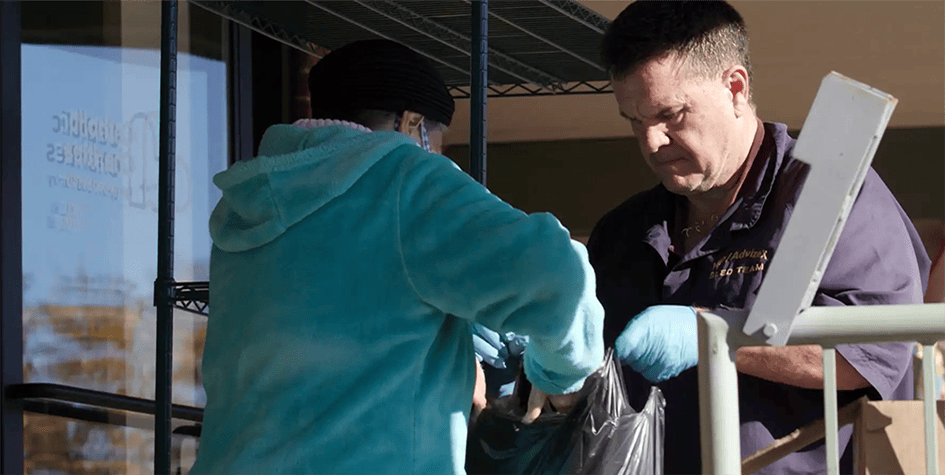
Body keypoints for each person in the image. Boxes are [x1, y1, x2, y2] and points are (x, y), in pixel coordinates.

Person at [190, 39, 604, 475]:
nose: (438, 155)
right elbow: (557, 273)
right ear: (412, 124)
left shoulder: (249, 204)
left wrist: (448, 343)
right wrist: (559, 374)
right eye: (437, 141)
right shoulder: (405, 179)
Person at [589, 2, 931, 473]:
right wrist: (543, 352)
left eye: (671, 115)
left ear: (735, 88)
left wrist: (714, 335)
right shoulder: (623, 233)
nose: (651, 143)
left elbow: (873, 354)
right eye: (634, 121)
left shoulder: (827, 196)